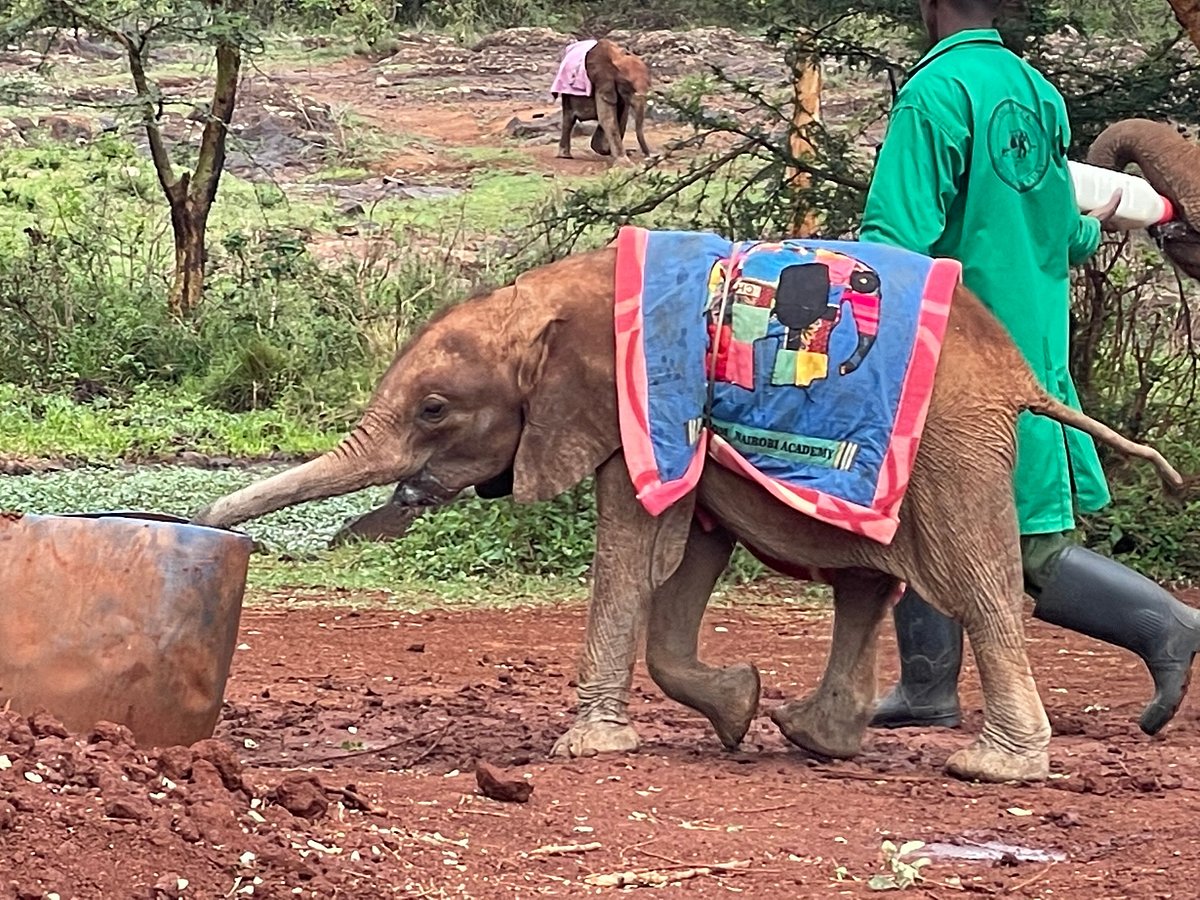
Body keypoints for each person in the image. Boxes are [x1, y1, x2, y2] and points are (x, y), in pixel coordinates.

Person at [857, 0, 1200, 736]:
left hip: (957, 344)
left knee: (1020, 536)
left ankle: (1164, 624)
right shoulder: (1033, 90)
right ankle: (926, 685)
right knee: (923, 510)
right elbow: (1068, 237)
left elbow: (895, 238)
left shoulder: (935, 93)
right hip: (1031, 333)